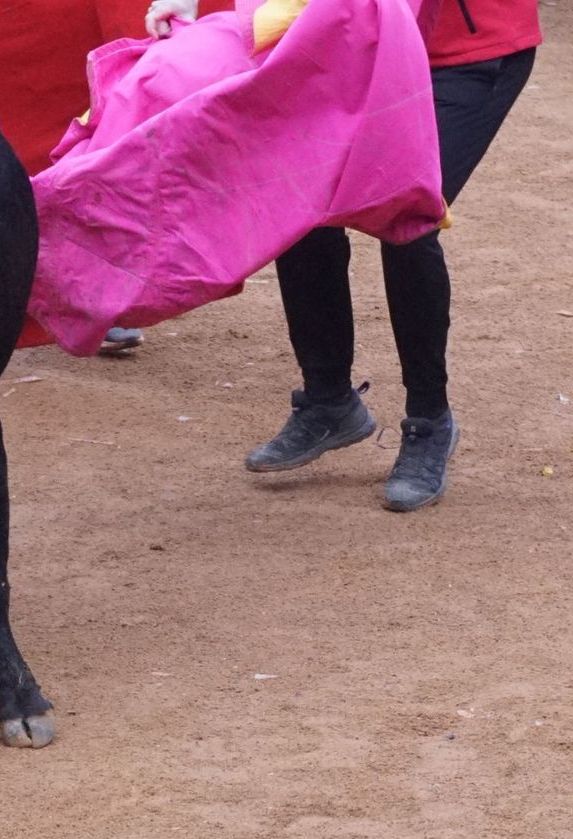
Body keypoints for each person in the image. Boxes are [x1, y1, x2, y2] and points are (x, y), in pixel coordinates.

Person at [231, 0, 542, 510]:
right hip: (356, 42)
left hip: (470, 53)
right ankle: (328, 402)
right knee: (305, 203)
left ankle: (429, 422)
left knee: (408, 216)